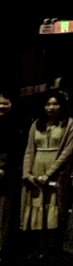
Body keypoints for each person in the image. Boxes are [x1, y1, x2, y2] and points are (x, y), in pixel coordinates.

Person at [20, 91, 73, 257]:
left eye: (55, 104)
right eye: (48, 104)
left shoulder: (70, 123)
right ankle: (38, 246)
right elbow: (29, 150)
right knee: (36, 207)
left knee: (53, 207)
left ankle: (50, 248)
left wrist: (49, 174)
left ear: (62, 105)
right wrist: (27, 173)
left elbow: (67, 151)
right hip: (36, 168)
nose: (51, 107)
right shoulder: (37, 123)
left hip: (57, 172)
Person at [0, 93, 19, 257]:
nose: (1, 106)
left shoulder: (17, 123)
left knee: (3, 213)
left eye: (5, 103)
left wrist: (3, 168)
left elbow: (18, 150)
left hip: (7, 174)